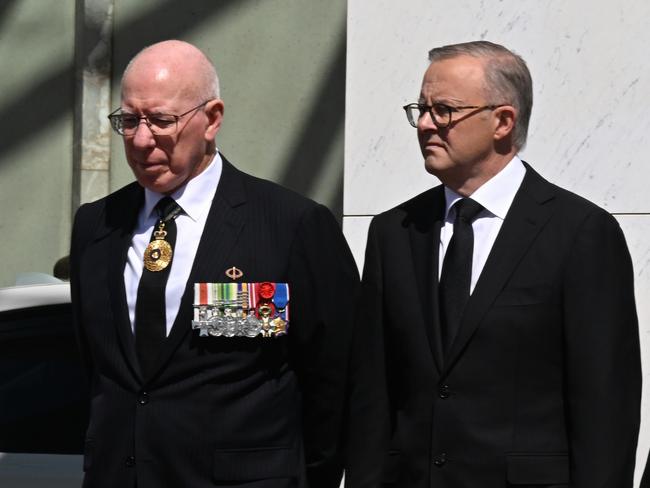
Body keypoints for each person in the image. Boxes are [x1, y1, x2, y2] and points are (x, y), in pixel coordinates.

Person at [345, 41, 641, 488]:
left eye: (444, 110)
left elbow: (605, 409)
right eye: (421, 109)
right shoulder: (394, 232)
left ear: (503, 121)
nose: (425, 124)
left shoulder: (579, 233)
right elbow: (373, 396)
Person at [70, 39, 358, 488]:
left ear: (212, 119)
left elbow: (333, 381)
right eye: (128, 121)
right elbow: (98, 372)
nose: (142, 140)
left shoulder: (290, 225)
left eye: (162, 121)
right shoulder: (96, 226)